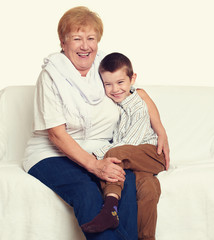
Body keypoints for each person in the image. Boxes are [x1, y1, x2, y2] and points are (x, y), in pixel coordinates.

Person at [23, 6, 169, 240]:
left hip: (101, 149)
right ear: (63, 42)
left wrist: (160, 130)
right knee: (86, 191)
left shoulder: (103, 69)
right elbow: (56, 135)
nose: (85, 46)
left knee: (126, 182)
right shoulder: (50, 76)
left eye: (91, 38)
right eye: (77, 38)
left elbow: (135, 93)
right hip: (52, 154)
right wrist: (94, 165)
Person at [81, 52, 166, 240]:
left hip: (152, 154)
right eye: (108, 84)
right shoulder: (114, 106)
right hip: (137, 163)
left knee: (115, 154)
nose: (115, 89)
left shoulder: (137, 105)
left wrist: (96, 156)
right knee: (148, 188)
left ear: (132, 79)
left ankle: (110, 208)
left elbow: (130, 143)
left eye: (120, 83)